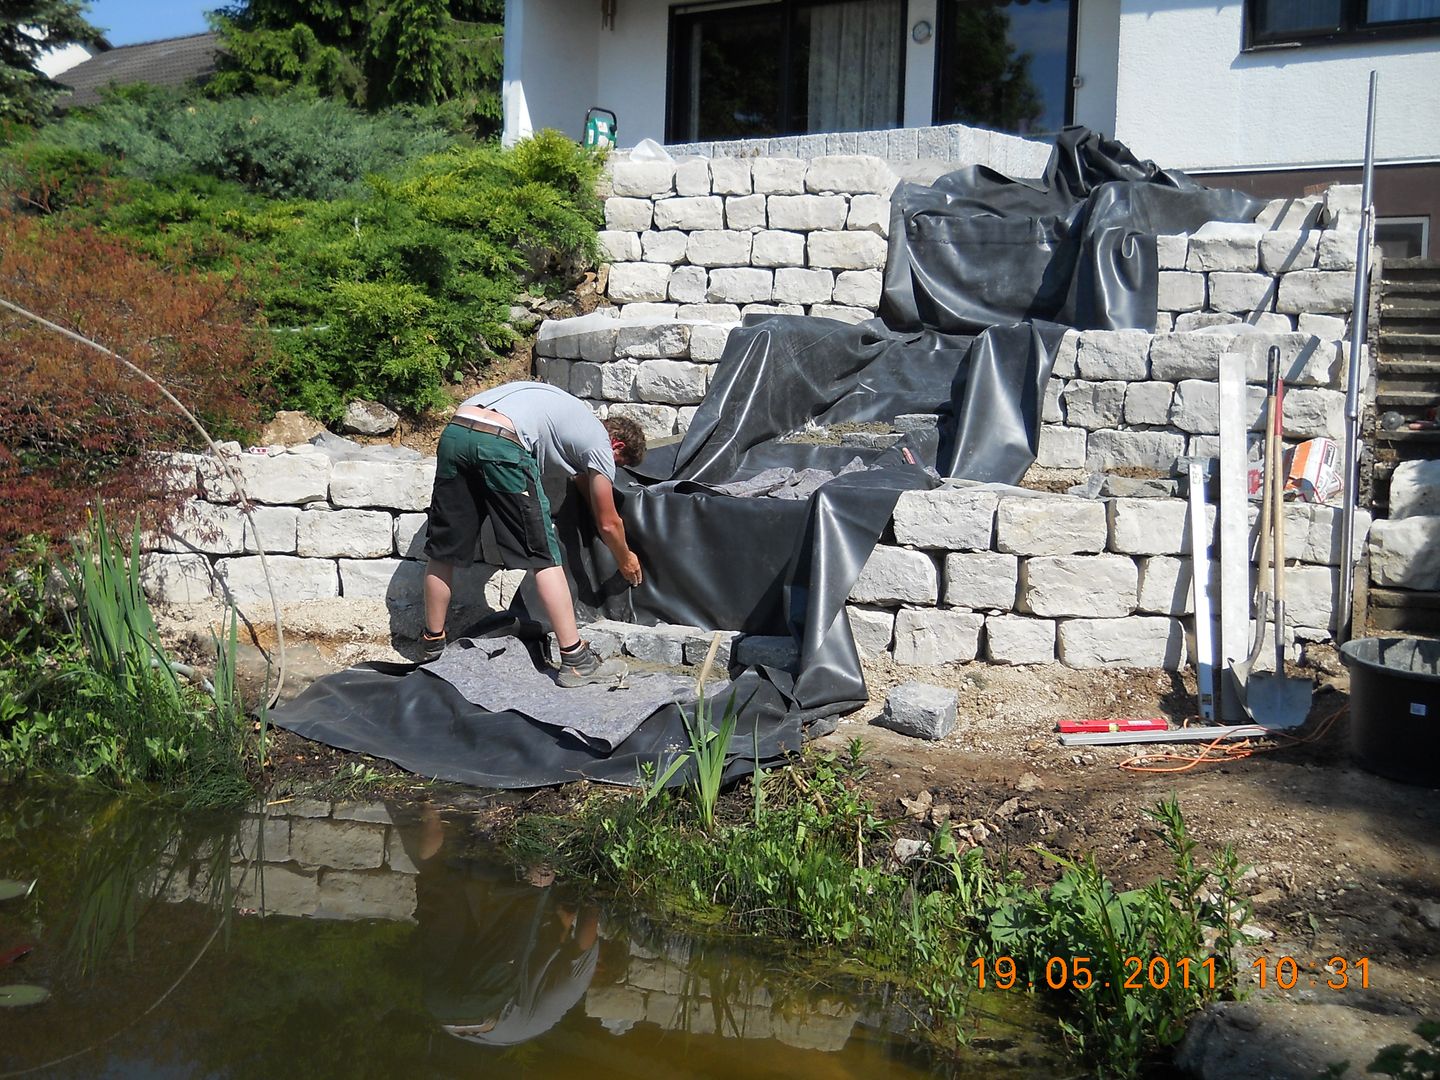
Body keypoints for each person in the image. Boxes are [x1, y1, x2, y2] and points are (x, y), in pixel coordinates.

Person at [421, 381, 646, 686]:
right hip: (501, 443)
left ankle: (432, 645)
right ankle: (575, 660)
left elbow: (583, 480)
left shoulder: (570, 414)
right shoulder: (600, 443)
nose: (611, 471)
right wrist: (625, 557)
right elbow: (609, 523)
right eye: (618, 466)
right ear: (617, 445)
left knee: (443, 550)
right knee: (544, 557)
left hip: (457, 432)